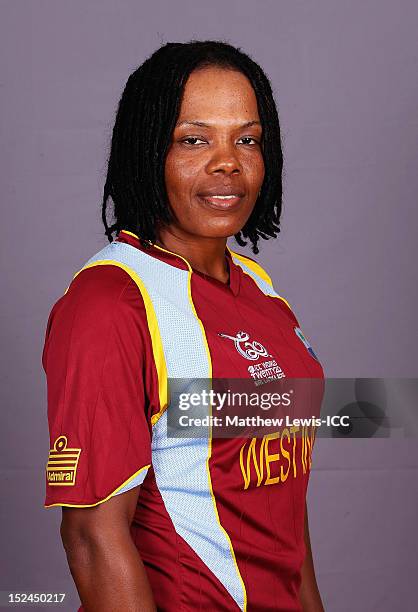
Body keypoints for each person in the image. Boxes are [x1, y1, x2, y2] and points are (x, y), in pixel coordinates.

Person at [42, 40, 325, 611]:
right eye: (194, 140)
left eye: (247, 139)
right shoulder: (110, 302)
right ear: (148, 152)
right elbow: (93, 536)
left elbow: (281, 506)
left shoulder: (260, 288)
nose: (228, 162)